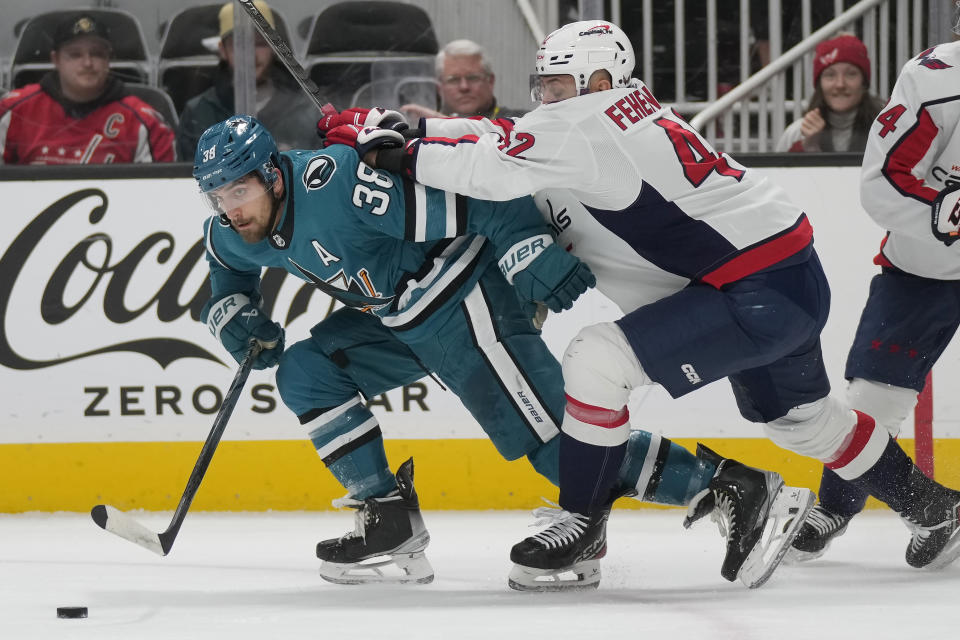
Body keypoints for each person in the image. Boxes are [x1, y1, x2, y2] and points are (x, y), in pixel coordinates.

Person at [329, 19, 960, 586]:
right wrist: (416, 126)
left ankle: (581, 525)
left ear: (599, 78)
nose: (544, 97)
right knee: (801, 421)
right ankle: (933, 508)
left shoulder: (582, 122)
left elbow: (493, 165)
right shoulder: (615, 112)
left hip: (754, 288)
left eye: (555, 84)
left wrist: (400, 149)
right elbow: (507, 135)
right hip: (783, 273)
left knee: (597, 359)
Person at [196, 113, 809, 591]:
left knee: (552, 450)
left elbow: (484, 197)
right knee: (308, 372)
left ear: (274, 174)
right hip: (400, 320)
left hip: (463, 295)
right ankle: (386, 517)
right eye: (217, 197)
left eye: (239, 192)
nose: (230, 208)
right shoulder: (234, 227)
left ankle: (732, 486)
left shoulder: (340, 190)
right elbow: (227, 272)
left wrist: (523, 245)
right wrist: (235, 316)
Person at [786, 28, 960, 561]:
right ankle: (837, 505)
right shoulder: (936, 80)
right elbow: (882, 182)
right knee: (872, 401)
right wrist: (948, 215)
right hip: (927, 267)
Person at [0, 13, 175, 164]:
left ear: (108, 60)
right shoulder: (12, 110)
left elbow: (160, 195)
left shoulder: (146, 122)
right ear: (55, 60)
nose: (87, 63)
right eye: (75, 55)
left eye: (97, 54)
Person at [176, 0, 320, 160]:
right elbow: (188, 181)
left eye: (260, 43)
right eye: (239, 44)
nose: (251, 55)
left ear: (274, 47)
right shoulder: (199, 113)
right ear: (223, 50)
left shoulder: (306, 111)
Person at [776, 34, 886, 153]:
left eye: (851, 74)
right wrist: (808, 146)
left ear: (864, 83)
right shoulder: (797, 133)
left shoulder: (886, 130)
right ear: (819, 85)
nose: (840, 84)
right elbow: (779, 171)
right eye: (830, 75)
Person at [400, 39, 526, 121]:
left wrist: (444, 125)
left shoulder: (520, 121)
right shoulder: (423, 124)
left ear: (491, 81)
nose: (464, 87)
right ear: (439, 87)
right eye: (453, 80)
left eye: (473, 78)